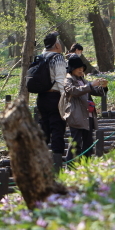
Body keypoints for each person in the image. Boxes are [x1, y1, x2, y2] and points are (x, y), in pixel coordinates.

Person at [59, 55, 108, 160]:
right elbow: (73, 91)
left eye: (82, 68)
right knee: (75, 143)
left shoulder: (83, 80)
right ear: (72, 69)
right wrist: (90, 85)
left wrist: (103, 86)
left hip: (88, 114)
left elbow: (95, 91)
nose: (81, 70)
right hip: (76, 115)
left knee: (88, 142)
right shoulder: (68, 79)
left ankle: (87, 165)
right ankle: (70, 164)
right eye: (78, 68)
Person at [36, 32, 67, 162]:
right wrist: (64, 98)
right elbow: (61, 80)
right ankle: (57, 159)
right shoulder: (57, 58)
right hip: (55, 97)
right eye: (58, 42)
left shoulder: (39, 57)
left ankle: (39, 158)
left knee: (44, 127)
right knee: (57, 127)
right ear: (56, 45)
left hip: (41, 97)